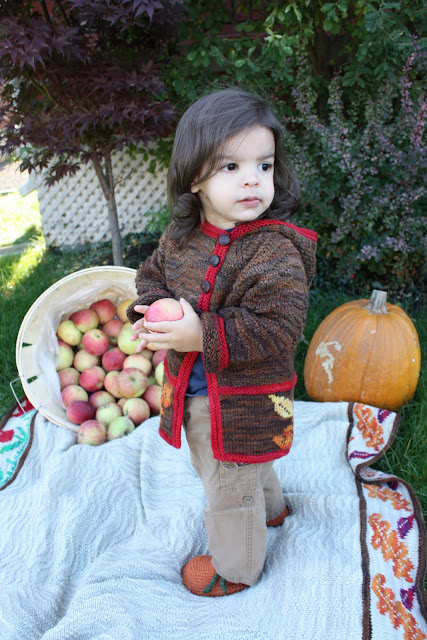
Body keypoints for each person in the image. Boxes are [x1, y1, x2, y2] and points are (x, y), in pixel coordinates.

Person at [127, 88, 317, 597]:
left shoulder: (275, 252)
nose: (253, 179)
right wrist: (150, 308)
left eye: (264, 165)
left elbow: (277, 328)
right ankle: (271, 509)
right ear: (195, 177)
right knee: (248, 463)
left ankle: (236, 568)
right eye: (231, 166)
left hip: (244, 402)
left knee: (228, 483)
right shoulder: (181, 238)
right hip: (197, 394)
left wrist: (200, 334)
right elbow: (151, 275)